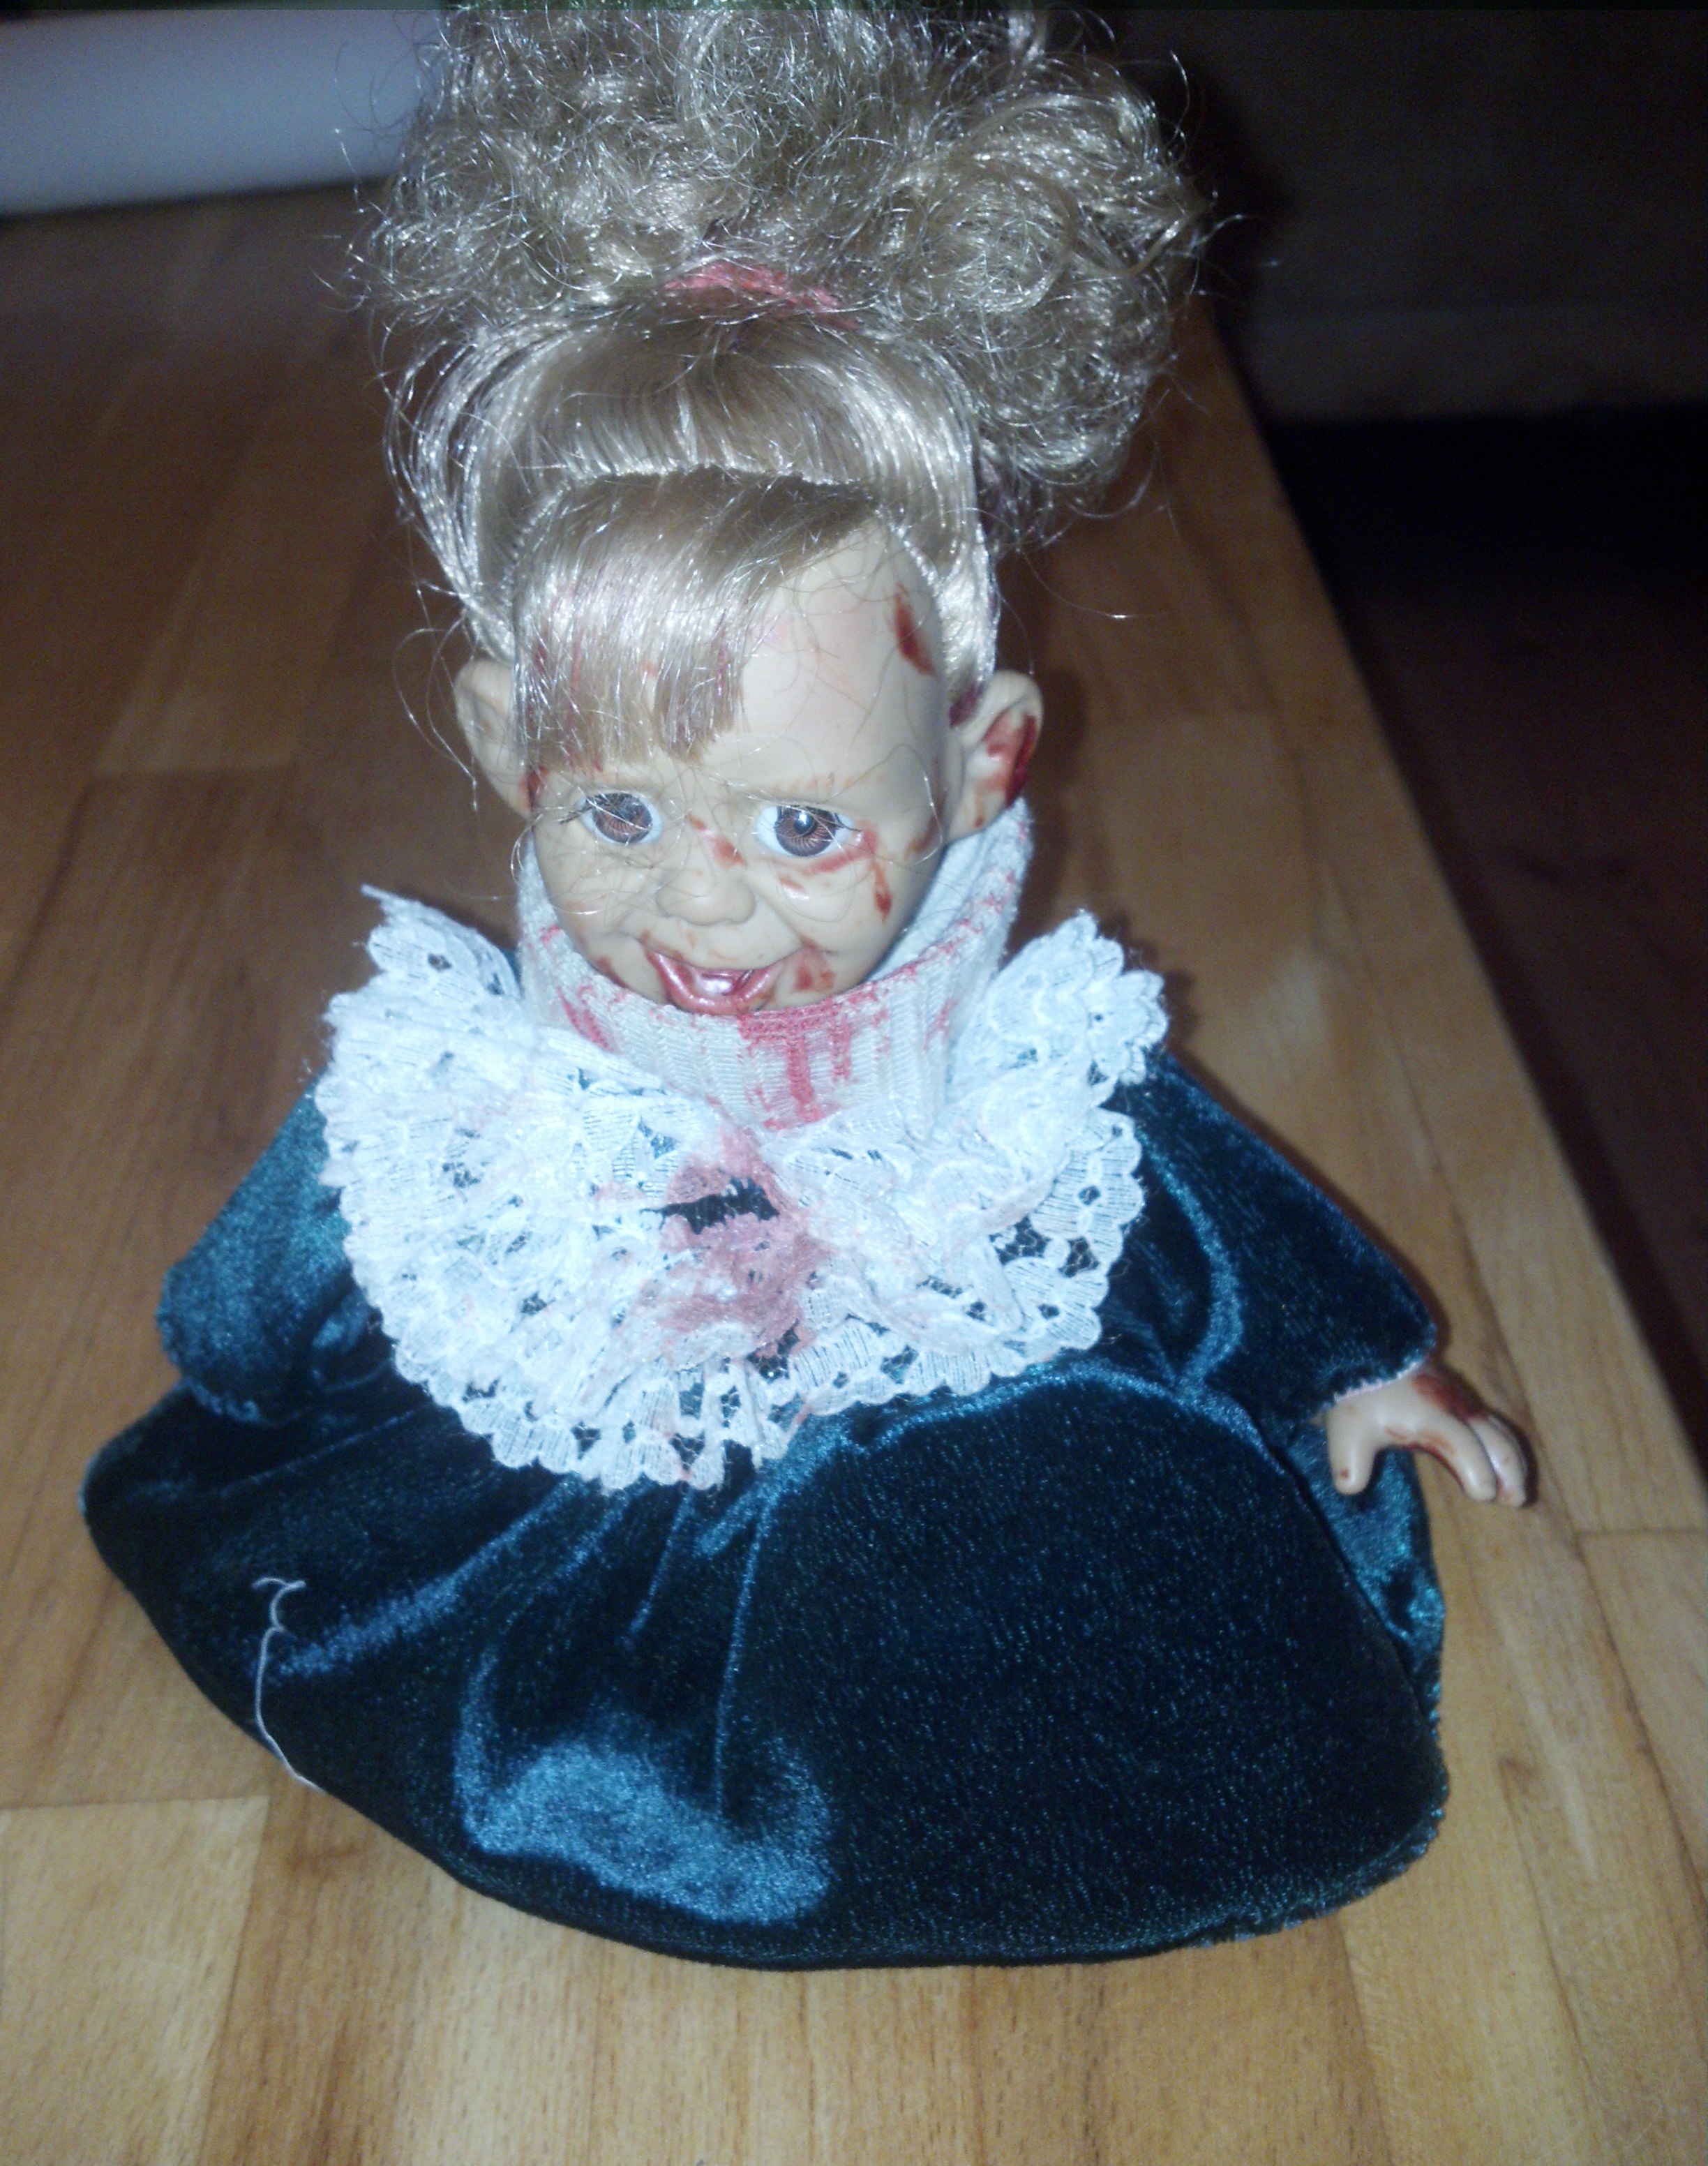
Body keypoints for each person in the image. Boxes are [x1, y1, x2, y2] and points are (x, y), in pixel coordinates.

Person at [84, 7, 1524, 1969]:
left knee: (1107, 1536)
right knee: (452, 1575)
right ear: (507, 745)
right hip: (598, 1452)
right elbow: (319, 1216)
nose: (702, 905)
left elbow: (1180, 1186)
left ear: (982, 761)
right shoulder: (507, 1059)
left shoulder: (989, 1054)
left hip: (940, 1448)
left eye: (801, 827)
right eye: (617, 809)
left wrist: (1355, 1354)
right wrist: (240, 1352)